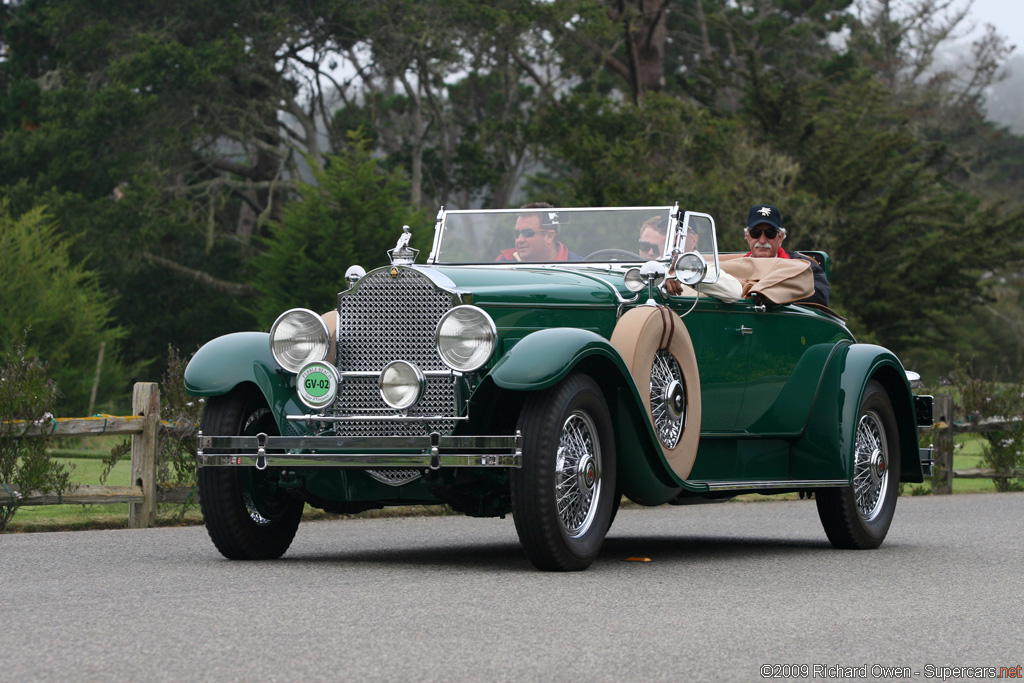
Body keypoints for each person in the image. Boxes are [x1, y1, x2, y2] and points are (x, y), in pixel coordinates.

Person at [642, 215, 743, 303]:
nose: (673, 237)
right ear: (658, 239)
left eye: (680, 231)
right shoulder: (648, 268)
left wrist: (686, 272)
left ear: (694, 240)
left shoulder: (708, 270)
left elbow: (734, 292)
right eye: (665, 232)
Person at [743, 204, 829, 306]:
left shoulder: (807, 267)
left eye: (770, 233)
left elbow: (820, 296)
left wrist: (772, 296)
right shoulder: (731, 268)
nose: (762, 240)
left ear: (780, 237)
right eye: (756, 233)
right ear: (748, 237)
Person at [496, 202, 581, 262]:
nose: (519, 240)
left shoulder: (579, 266)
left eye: (528, 232)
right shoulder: (503, 263)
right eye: (517, 233)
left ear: (549, 236)